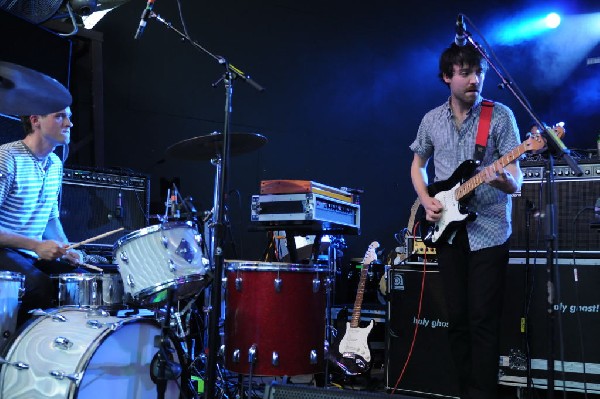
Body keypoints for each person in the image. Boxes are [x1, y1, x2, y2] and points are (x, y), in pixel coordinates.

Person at [409, 42, 524, 399]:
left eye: (479, 72)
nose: (474, 79)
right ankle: (464, 391)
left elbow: (516, 182)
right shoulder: (431, 120)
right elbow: (417, 164)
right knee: (457, 319)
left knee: (483, 321)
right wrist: (426, 199)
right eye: (465, 73)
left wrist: (499, 178)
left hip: (489, 230)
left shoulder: (500, 115)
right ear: (447, 77)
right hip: (448, 233)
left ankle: (483, 394)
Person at [0, 106, 84, 331]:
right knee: (39, 286)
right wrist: (36, 245)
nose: (69, 124)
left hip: (29, 253)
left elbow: (49, 218)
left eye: (69, 117)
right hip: (4, 249)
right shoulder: (7, 158)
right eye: (60, 116)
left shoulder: (55, 164)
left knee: (78, 282)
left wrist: (66, 248)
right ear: (35, 120)